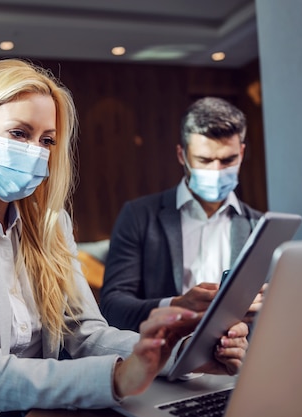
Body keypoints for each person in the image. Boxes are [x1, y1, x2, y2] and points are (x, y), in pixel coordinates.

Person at [0, 60, 248, 417]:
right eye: (19, 133)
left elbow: (87, 334)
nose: (36, 151)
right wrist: (120, 376)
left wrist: (186, 355)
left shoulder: (52, 225)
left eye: (47, 140)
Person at [100, 97, 264, 331]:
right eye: (204, 160)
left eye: (228, 160)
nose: (216, 171)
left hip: (236, 362)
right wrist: (175, 304)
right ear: (182, 155)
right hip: (164, 362)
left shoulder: (258, 226)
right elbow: (112, 307)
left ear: (242, 152)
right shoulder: (138, 216)